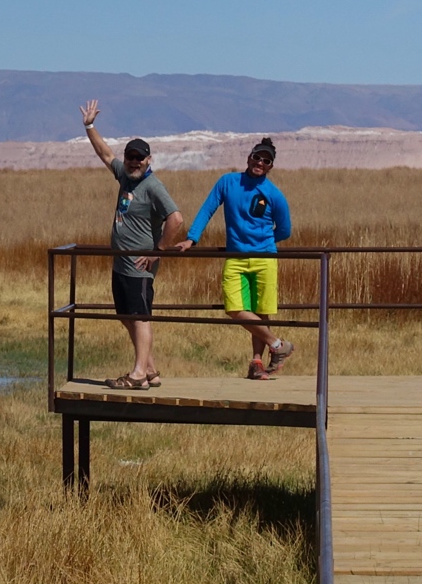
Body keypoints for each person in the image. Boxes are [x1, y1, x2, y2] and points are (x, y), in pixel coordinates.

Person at [80, 100, 184, 390]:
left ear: (149, 160)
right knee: (126, 316)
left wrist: (157, 251)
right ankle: (150, 370)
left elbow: (176, 219)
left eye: (140, 158)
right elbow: (105, 153)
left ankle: (138, 375)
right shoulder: (125, 176)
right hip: (121, 263)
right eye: (130, 157)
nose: (134, 162)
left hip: (139, 266)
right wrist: (89, 126)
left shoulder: (153, 186)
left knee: (140, 317)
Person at [175, 137, 294, 379]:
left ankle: (257, 363)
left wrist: (261, 241)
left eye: (266, 161)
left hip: (264, 259)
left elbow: (284, 230)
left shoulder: (274, 194)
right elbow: (207, 209)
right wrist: (191, 238)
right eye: (257, 157)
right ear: (249, 158)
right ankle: (279, 345)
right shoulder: (228, 182)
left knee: (261, 312)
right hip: (235, 258)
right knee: (235, 309)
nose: (260, 163)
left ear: (271, 166)